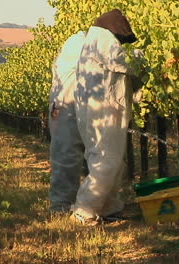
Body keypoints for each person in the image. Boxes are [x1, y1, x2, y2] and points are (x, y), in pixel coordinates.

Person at [71, 9, 142, 225]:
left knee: (110, 160)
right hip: (103, 111)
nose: (121, 42)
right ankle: (85, 210)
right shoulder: (102, 38)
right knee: (106, 160)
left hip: (99, 110)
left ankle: (108, 207)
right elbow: (120, 61)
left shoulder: (95, 39)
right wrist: (145, 58)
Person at [48, 31, 86, 214]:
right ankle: (61, 207)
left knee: (73, 155)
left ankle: (82, 203)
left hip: (70, 107)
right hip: (64, 108)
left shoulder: (77, 43)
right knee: (66, 156)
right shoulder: (79, 44)